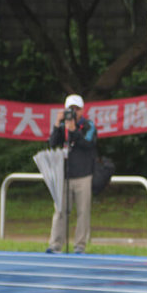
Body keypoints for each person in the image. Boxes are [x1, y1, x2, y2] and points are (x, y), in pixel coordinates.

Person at [46, 94, 97, 254]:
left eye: (77, 109)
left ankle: (80, 245)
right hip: (64, 175)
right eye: (70, 109)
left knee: (83, 212)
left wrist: (74, 130)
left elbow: (88, 144)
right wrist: (57, 123)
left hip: (83, 175)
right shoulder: (62, 126)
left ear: (82, 110)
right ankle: (55, 244)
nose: (73, 112)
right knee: (60, 211)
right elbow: (52, 144)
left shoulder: (89, 126)